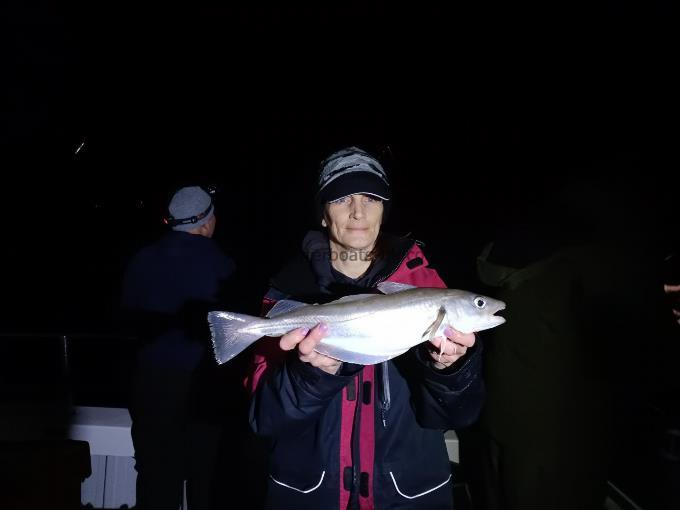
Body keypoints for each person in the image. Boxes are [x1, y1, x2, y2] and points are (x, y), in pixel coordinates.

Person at [245, 147, 485, 509]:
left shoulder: (430, 289)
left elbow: (461, 416)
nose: (358, 211)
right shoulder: (288, 291)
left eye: (371, 197)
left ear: (384, 210)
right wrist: (309, 376)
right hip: (311, 496)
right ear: (323, 214)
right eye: (342, 197)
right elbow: (265, 420)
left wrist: (449, 370)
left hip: (409, 497)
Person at [121, 185, 240, 510]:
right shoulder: (222, 264)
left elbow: (128, 317)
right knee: (206, 482)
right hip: (202, 388)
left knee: (155, 478)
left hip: (150, 387)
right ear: (205, 223)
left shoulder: (141, 259)